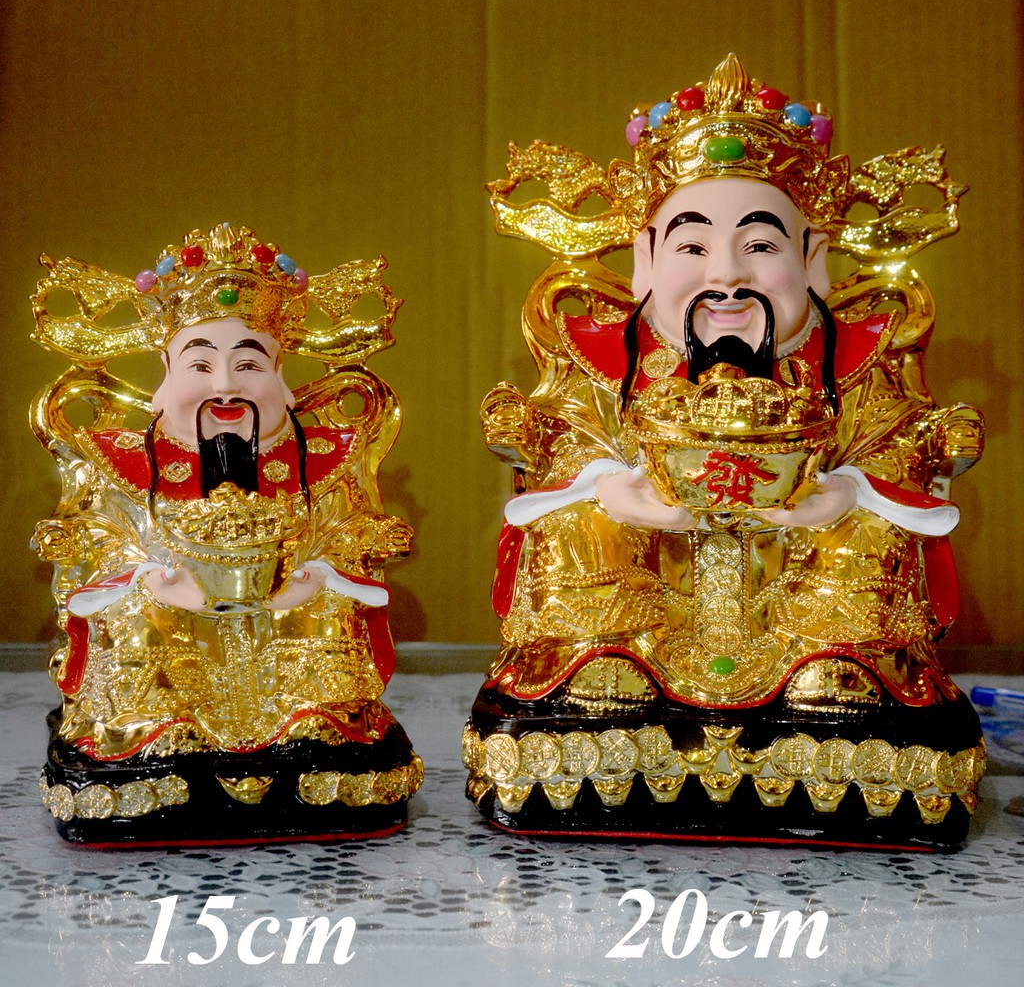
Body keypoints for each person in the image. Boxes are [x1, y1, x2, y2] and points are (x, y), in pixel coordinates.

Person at [466, 55, 985, 848]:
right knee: (570, 523)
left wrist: (850, 495)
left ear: (813, 260)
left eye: (761, 245)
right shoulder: (601, 359)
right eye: (693, 248)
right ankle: (596, 665)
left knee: (873, 529)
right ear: (643, 261)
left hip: (808, 618)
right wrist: (608, 492)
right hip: (641, 615)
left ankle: (840, 670)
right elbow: (559, 460)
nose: (728, 277)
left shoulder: (859, 361)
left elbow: (903, 458)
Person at [32, 222, 421, 844]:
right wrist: (152, 584)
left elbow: (353, 537)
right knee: (134, 627)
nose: (225, 387)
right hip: (173, 635)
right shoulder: (119, 460)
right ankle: (156, 731)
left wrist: (315, 579)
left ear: (280, 370)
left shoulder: (326, 456)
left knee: (327, 623)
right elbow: (94, 546)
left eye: (248, 364)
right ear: (166, 369)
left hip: (287, 632)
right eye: (200, 364)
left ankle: (312, 725)